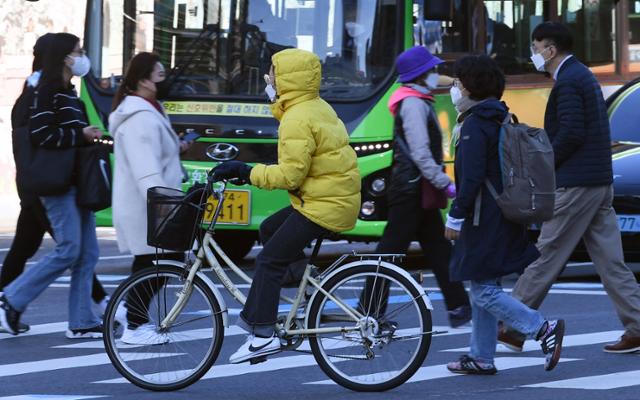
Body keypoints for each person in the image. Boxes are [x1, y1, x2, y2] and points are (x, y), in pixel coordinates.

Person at [212, 48, 361, 364]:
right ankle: (309, 292)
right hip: (329, 199)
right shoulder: (315, 106)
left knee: (268, 261)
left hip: (323, 204)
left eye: (273, 73)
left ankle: (262, 334)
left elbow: (291, 174)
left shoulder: (297, 117)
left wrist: (245, 171)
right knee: (269, 229)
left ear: (288, 80)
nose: (269, 79)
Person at [499, 22, 640, 354]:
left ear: (550, 50)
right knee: (610, 261)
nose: (533, 55)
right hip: (598, 181)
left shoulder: (569, 81)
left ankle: (514, 325)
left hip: (577, 183)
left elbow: (572, 132)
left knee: (546, 253)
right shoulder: (583, 76)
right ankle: (637, 326)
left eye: (535, 48)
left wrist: (545, 162)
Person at [444, 54, 565, 374]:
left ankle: (542, 329)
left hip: (484, 218)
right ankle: (481, 357)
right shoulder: (497, 117)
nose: (454, 88)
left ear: (470, 85)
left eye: (457, 81)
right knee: (485, 286)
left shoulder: (474, 125)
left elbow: (469, 180)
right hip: (501, 214)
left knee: (483, 289)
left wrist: (455, 216)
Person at [0, 33, 110, 335]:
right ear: (64, 57)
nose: (82, 57)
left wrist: (99, 139)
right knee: (69, 249)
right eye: (78, 51)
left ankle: (82, 321)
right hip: (57, 184)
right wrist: (82, 135)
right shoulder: (45, 91)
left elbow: (73, 134)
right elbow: (42, 135)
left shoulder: (68, 92)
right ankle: (10, 299)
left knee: (88, 254)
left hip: (79, 182)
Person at [375, 46, 471, 327]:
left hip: (415, 189)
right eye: (432, 70)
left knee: (438, 249)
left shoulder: (416, 100)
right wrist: (445, 183)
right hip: (411, 190)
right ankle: (370, 310)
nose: (436, 74)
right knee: (390, 251)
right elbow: (420, 153)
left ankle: (459, 307)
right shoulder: (414, 104)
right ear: (420, 75)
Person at [109, 52, 191, 345]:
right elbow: (145, 169)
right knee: (161, 261)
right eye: (159, 76)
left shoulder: (149, 110)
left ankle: (127, 310)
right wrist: (166, 206)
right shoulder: (139, 118)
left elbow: (154, 154)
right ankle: (134, 326)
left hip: (152, 203)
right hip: (148, 204)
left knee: (152, 262)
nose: (164, 80)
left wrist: (175, 147)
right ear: (143, 81)